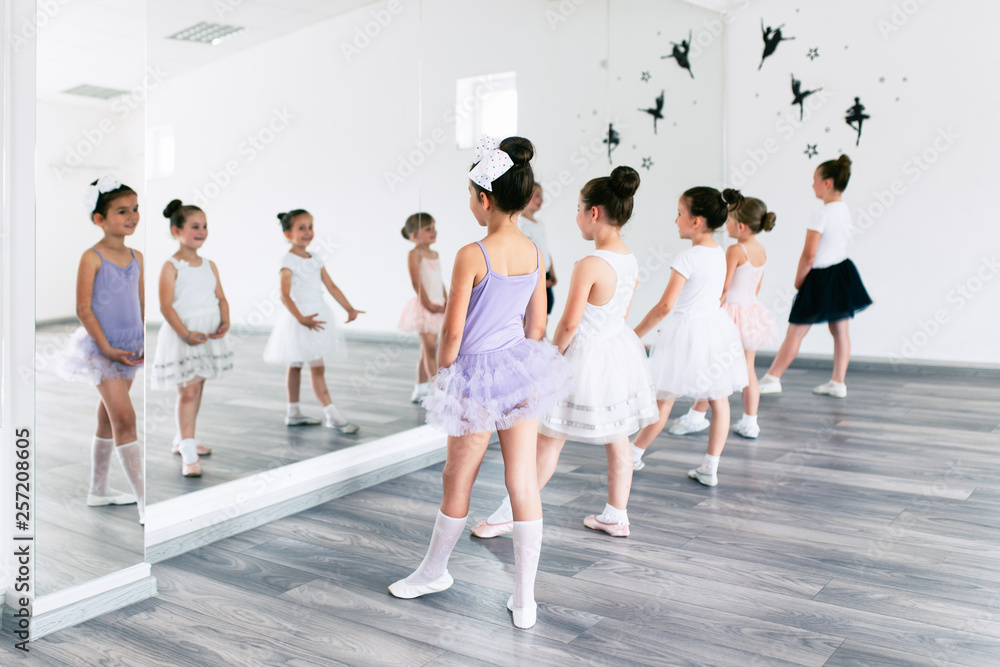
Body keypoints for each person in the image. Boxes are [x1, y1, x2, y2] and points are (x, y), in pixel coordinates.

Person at [388, 136, 573, 630]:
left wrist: (444, 373)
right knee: (522, 480)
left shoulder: (472, 252)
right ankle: (524, 599)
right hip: (520, 368)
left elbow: (452, 327)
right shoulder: (533, 249)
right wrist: (527, 368)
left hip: (474, 371)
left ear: (485, 199)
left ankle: (433, 571)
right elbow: (538, 325)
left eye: (470, 194)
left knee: (458, 475)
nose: (469, 202)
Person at [472, 166, 658, 540]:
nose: (575, 216)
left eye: (577, 208)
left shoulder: (589, 264)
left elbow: (569, 324)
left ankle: (509, 514)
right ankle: (616, 514)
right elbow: (621, 310)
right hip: (617, 353)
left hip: (585, 356)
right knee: (619, 438)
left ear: (594, 213)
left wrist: (549, 359)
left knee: (549, 438)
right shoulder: (630, 259)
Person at [630, 187, 749, 486]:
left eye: (679, 214)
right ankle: (711, 466)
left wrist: (635, 334)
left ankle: (633, 452)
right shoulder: (718, 252)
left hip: (688, 331)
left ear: (696, 221)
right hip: (716, 328)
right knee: (719, 400)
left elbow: (665, 306)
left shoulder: (688, 257)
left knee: (665, 400)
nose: (675, 220)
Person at [57, 175, 146, 524]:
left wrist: (142, 343)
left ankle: (98, 490)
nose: (132, 216)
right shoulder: (91, 257)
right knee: (125, 418)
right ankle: (143, 502)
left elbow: (140, 304)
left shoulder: (138, 256)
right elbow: (83, 308)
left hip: (130, 346)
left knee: (108, 417)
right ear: (100, 219)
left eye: (135, 209)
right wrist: (107, 348)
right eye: (122, 211)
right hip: (102, 348)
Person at [760, 155, 871, 398]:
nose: (812, 185)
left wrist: (799, 280)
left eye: (815, 180)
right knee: (840, 331)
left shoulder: (821, 214)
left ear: (827, 183)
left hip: (821, 276)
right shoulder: (843, 210)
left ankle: (772, 378)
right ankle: (838, 382)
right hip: (841, 272)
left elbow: (809, 255)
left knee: (796, 331)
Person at [670, 198, 779, 439]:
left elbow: (724, 286)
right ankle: (751, 422)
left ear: (740, 226)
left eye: (729, 220)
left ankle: (696, 417)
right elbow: (756, 287)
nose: (725, 224)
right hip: (751, 312)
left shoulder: (734, 250)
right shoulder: (760, 249)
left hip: (730, 314)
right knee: (748, 370)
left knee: (714, 370)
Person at [151, 200, 234, 477]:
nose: (202, 231)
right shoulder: (171, 266)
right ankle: (187, 451)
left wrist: (225, 321)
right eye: (194, 226)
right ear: (177, 230)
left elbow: (220, 297)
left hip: (207, 334)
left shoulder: (209, 265)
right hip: (183, 334)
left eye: (205, 226)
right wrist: (185, 334)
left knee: (197, 387)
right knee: (186, 390)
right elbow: (165, 306)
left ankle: (184, 437)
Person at [262, 209, 363, 432]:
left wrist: (349, 308)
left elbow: (331, 286)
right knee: (305, 366)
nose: (308, 232)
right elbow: (285, 295)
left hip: (317, 315)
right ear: (288, 234)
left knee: (303, 365)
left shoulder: (315, 258)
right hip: (302, 319)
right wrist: (301, 319)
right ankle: (330, 414)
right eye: (301, 228)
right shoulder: (287, 261)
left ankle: (294, 412)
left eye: (310, 226)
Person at [398, 212, 447, 403]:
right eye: (428, 229)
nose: (433, 232)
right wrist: (428, 305)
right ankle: (438, 391)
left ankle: (419, 389)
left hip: (438, 305)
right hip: (424, 307)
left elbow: (438, 281)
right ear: (414, 235)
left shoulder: (435, 254)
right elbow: (416, 282)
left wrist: (447, 299)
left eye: (433, 227)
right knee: (429, 349)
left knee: (425, 350)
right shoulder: (414, 254)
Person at [518, 184, 558, 318]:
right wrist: (539, 281)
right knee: (535, 315)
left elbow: (545, 249)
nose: (541, 199)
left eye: (541, 196)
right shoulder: (522, 224)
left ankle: (543, 338)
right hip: (536, 276)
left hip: (546, 274)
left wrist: (552, 271)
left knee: (546, 310)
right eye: (537, 195)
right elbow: (526, 257)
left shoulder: (539, 223)